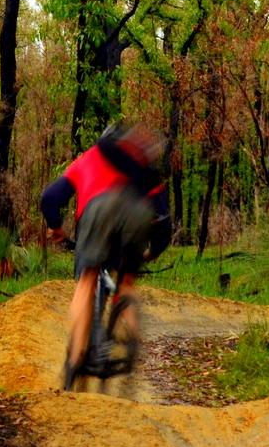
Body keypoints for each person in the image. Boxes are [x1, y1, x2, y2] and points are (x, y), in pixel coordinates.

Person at [41, 121, 172, 388]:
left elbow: (49, 198)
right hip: (137, 215)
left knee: (87, 281)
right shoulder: (142, 168)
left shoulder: (88, 158)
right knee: (125, 284)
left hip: (98, 212)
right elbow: (163, 219)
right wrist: (152, 252)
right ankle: (131, 345)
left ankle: (76, 357)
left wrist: (57, 228)